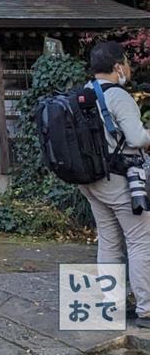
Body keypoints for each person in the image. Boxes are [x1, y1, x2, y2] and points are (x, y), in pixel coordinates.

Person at [76, 42, 150, 326]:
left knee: (108, 241)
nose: (129, 68)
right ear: (118, 66)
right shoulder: (117, 95)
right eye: (127, 62)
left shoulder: (85, 92)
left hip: (92, 179)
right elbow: (136, 139)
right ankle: (146, 309)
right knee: (141, 240)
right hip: (120, 179)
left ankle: (113, 305)